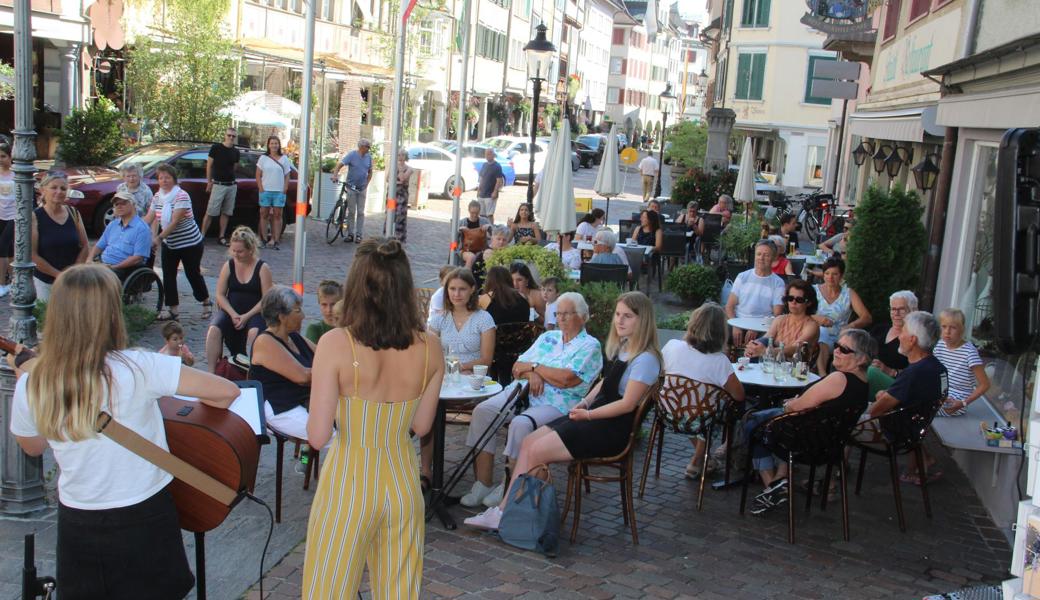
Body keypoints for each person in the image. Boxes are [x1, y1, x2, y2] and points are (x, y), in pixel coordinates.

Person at [9, 264, 239, 599]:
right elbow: (227, 392)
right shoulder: (140, 366)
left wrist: (27, 386)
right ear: (110, 315)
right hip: (145, 514)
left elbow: (32, 446)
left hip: (79, 519)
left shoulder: (35, 383)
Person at [303, 238, 443, 599]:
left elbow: (317, 437)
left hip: (348, 483)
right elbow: (422, 427)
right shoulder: (431, 346)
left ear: (356, 287)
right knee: (399, 591)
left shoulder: (336, 344)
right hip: (401, 482)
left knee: (329, 589)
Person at [465, 292, 658, 530]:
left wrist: (588, 414)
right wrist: (586, 403)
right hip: (595, 417)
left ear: (643, 320)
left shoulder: (646, 359)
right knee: (528, 443)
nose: (619, 321)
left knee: (535, 449)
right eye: (618, 315)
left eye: (627, 316)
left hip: (610, 428)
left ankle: (510, 513)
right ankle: (508, 510)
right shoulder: (626, 347)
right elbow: (604, 383)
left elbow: (627, 404)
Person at [459, 292, 604, 511]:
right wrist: (532, 374)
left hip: (558, 404)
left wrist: (535, 368)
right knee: (483, 411)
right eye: (558, 313)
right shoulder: (548, 337)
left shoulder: (590, 346)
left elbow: (567, 379)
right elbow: (518, 367)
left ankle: (509, 487)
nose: (561, 318)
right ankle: (483, 484)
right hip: (521, 393)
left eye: (568, 313)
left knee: (521, 424)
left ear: (582, 317)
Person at [745, 329, 875, 514]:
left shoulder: (839, 378)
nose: (836, 351)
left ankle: (772, 484)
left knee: (752, 423)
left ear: (862, 359)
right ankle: (780, 481)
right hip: (829, 444)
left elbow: (797, 407)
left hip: (804, 442)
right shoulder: (863, 384)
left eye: (844, 350)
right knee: (766, 419)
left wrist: (791, 403)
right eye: (837, 346)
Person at [421, 268, 496, 484]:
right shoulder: (440, 318)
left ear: (472, 290)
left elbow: (486, 360)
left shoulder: (484, 319)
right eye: (452, 289)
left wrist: (457, 365)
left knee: (480, 415)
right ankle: (426, 471)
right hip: (443, 381)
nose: (456, 294)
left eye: (462, 289)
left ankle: (479, 477)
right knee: (429, 410)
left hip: (471, 384)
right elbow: (429, 351)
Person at [862, 311, 948, 484]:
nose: (899, 336)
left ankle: (834, 479)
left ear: (913, 340)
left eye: (903, 332)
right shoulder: (939, 368)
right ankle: (917, 465)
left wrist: (881, 398)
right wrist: (885, 396)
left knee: (843, 420)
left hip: (895, 433)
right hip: (915, 427)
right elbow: (940, 397)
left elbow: (876, 411)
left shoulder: (912, 374)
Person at [662, 302, 745, 479]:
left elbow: (659, 374)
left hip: (668, 414)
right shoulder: (720, 361)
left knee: (697, 408)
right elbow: (739, 396)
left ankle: (705, 460)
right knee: (718, 409)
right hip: (699, 420)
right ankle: (698, 460)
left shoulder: (671, 346)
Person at [144, 164, 212, 322]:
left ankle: (206, 302)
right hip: (171, 243)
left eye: (167, 177)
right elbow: (150, 217)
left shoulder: (182, 196)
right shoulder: (157, 197)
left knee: (192, 273)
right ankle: (173, 310)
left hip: (190, 243)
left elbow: (174, 222)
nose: (164, 180)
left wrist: (159, 238)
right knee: (168, 275)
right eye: (161, 178)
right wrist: (132, 226)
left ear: (174, 179)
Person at [250, 286, 316, 440]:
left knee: (345, 424)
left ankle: (306, 458)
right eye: (298, 311)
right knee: (330, 435)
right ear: (282, 316)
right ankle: (308, 459)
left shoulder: (294, 337)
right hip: (280, 407)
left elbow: (324, 355)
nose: (303, 316)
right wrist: (335, 370)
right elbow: (303, 376)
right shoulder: (265, 341)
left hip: (304, 400)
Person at [205, 226, 273, 371]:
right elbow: (220, 294)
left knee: (254, 333)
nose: (236, 254)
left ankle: (253, 370)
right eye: (233, 251)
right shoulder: (229, 265)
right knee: (214, 329)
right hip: (232, 310)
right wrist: (233, 314)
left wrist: (246, 316)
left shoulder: (262, 268)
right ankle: (211, 371)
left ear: (251, 249)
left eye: (240, 251)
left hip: (255, 311)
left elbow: (266, 299)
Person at [31, 171, 89, 301]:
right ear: (42, 190)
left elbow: (85, 246)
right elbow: (33, 255)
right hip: (45, 282)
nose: (59, 191)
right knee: (47, 318)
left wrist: (72, 273)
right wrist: (59, 275)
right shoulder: (35, 217)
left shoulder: (73, 212)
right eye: (54, 187)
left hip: (72, 281)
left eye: (63, 188)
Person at [812, 258, 873, 375]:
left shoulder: (848, 293)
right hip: (816, 335)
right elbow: (800, 312)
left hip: (840, 337)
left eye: (835, 274)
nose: (830, 277)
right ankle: (822, 373)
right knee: (822, 331)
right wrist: (816, 318)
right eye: (827, 273)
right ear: (823, 274)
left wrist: (851, 325)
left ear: (841, 276)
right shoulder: (814, 291)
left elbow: (867, 317)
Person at [725, 240, 785, 345]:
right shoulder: (742, 277)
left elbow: (777, 313)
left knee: (764, 341)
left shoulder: (778, 283)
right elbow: (729, 306)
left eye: (766, 255)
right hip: (738, 321)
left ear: (774, 258)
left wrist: (755, 328)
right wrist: (735, 325)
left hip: (763, 326)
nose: (761, 258)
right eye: (758, 254)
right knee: (718, 335)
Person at [744, 279, 820, 359]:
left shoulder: (811, 325)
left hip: (796, 368)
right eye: (790, 298)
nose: (793, 302)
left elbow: (796, 348)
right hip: (772, 365)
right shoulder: (780, 319)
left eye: (799, 300)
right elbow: (767, 338)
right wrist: (753, 347)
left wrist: (765, 351)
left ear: (809, 303)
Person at [933, 308, 990, 417]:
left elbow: (985, 384)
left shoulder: (969, 352)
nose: (947, 331)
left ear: (962, 330)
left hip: (956, 402)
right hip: (939, 393)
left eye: (953, 327)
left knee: (920, 409)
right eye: (944, 326)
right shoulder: (939, 345)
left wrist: (963, 403)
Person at [88, 191, 152, 280]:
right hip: (103, 263)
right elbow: (99, 246)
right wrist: (89, 260)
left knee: (93, 280)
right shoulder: (112, 225)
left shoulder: (142, 228)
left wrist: (114, 267)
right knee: (80, 275)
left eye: (124, 203)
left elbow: (138, 258)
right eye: (116, 204)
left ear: (133, 205)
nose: (119, 206)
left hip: (123, 269)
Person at [203, 126, 241, 245]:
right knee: (210, 212)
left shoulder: (236, 151)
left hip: (231, 185)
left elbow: (235, 167)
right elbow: (209, 166)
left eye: (233, 136)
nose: (231, 138)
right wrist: (209, 182)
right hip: (218, 184)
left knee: (226, 212)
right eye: (229, 135)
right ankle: (201, 236)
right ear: (225, 135)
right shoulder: (216, 148)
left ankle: (221, 236)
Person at [256, 135, 293, 251]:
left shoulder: (284, 159)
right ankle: (263, 239)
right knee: (264, 214)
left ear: (279, 145)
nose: (274, 145)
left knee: (277, 215)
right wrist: (261, 188)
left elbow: (287, 175)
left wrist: (285, 188)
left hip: (279, 191)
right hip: (265, 190)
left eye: (276, 143)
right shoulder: (263, 158)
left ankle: (275, 239)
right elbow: (258, 174)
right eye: (272, 143)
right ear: (268, 145)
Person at [334, 138, 374, 243]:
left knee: (361, 212)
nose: (369, 149)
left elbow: (370, 172)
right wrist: (335, 175)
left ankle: (359, 235)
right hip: (351, 187)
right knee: (351, 211)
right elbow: (340, 165)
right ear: (361, 147)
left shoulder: (369, 157)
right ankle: (350, 234)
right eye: (367, 147)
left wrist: (367, 183)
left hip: (362, 188)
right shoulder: (352, 155)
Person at [872, 290, 917, 379]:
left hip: (894, 384)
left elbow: (918, 372)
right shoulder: (879, 329)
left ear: (912, 310)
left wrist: (890, 371)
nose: (896, 313)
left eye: (901, 309)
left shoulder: (914, 339)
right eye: (893, 309)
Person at [305, 279, 343, 344]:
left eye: (333, 304)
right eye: (324, 305)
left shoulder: (349, 329)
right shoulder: (314, 329)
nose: (329, 310)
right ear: (319, 303)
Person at [460, 201, 492, 269]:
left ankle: (489, 277)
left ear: (479, 211)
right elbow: (454, 235)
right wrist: (460, 229)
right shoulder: (462, 222)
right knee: (471, 257)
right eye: (472, 213)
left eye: (477, 213)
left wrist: (489, 227)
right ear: (469, 210)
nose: (474, 215)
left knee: (489, 255)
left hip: (481, 249)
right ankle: (466, 276)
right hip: (466, 250)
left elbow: (494, 232)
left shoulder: (484, 221)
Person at [477, 147, 505, 222]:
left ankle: (490, 229)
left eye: (489, 154)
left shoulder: (497, 166)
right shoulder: (484, 165)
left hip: (490, 194)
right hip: (482, 193)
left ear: (493, 155)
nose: (487, 155)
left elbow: (499, 180)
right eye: (486, 154)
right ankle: (483, 229)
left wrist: (495, 192)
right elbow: (481, 178)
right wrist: (479, 190)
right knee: (481, 214)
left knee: (489, 214)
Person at [394, 149, 414, 242]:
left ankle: (400, 238)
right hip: (392, 194)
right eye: (398, 155)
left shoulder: (409, 169)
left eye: (402, 155)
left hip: (402, 195)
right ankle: (389, 234)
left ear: (406, 157)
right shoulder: (394, 167)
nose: (400, 157)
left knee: (400, 215)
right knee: (390, 213)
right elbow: (387, 179)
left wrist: (401, 169)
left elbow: (402, 179)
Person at [0, 142, 11, 296]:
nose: (1, 159)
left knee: (2, 247)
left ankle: (3, 283)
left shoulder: (17, 173)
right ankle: (8, 281)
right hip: (0, 215)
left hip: (14, 216)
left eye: (3, 156)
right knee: (6, 250)